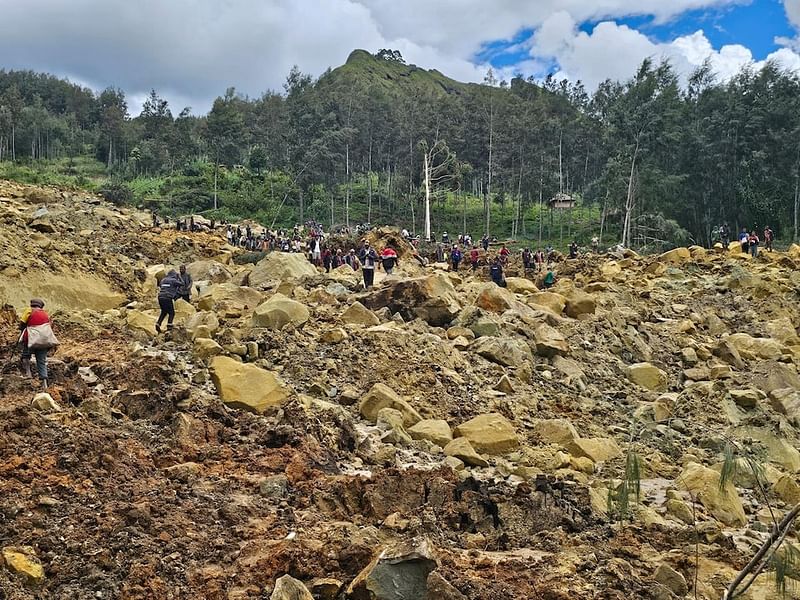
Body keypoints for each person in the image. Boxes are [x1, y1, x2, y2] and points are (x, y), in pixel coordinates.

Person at [19, 298, 54, 389]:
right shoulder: (45, 314)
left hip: (31, 339)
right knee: (41, 361)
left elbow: (22, 324)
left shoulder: (29, 311)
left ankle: (28, 374)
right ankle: (44, 383)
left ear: (32, 305)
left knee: (26, 356)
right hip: (43, 341)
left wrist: (22, 330)